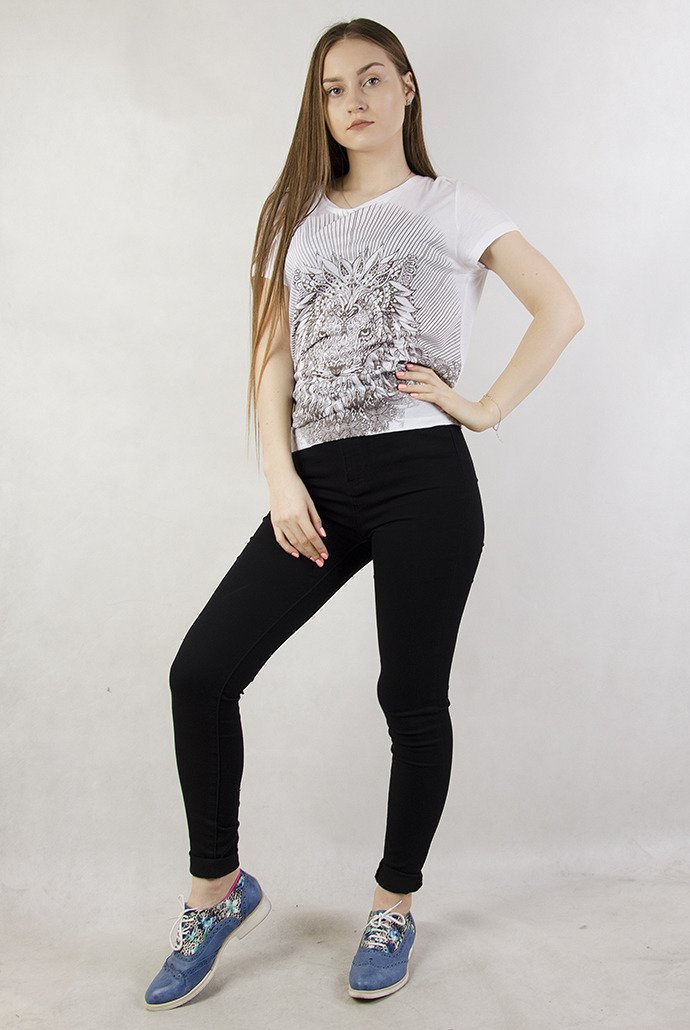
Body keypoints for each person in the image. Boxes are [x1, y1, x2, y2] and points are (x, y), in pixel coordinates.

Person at [144, 16, 584, 1011]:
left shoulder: (452, 206)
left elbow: (560, 307)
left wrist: (482, 408)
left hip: (426, 478)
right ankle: (217, 888)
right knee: (201, 673)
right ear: (321, 107)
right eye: (335, 88)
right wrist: (280, 475)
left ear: (406, 89)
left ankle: (393, 903)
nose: (354, 101)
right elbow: (270, 355)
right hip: (319, 486)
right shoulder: (290, 218)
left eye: (373, 79)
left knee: (410, 699)